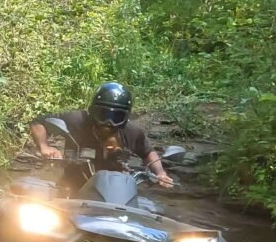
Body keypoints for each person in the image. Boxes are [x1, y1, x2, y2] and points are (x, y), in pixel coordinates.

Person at [29, 81, 174, 190]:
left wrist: (160, 173)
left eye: (116, 116)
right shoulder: (77, 120)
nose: (108, 122)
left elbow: (148, 152)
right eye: (102, 114)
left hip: (116, 192)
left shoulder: (132, 131)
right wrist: (44, 146)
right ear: (92, 111)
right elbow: (39, 122)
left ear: (125, 117)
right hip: (72, 187)